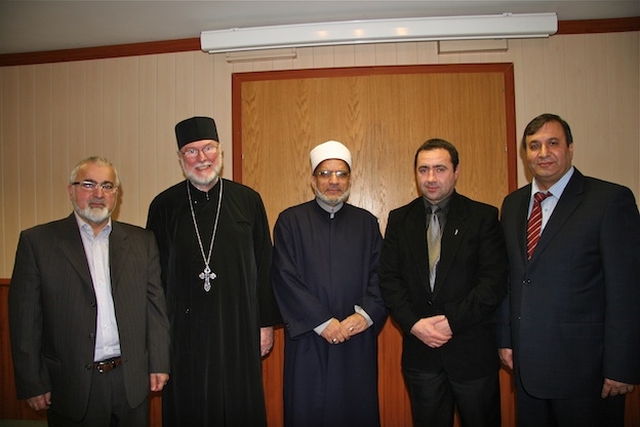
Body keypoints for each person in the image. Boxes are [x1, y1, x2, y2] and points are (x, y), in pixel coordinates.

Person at [498, 113, 640, 427]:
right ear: (525, 154)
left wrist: (622, 366)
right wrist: (506, 339)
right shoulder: (512, 206)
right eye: (534, 145)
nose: (543, 153)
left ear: (571, 149)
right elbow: (512, 278)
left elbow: (627, 291)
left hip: (587, 373)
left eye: (553, 143)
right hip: (528, 368)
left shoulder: (609, 201)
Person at [8, 156, 170, 427]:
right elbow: (24, 320)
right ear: (71, 190)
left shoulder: (142, 242)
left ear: (116, 195)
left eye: (107, 186)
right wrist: (31, 381)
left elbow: (155, 309)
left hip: (130, 381)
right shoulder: (37, 243)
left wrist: (159, 362)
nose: (98, 194)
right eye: (88, 184)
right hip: (71, 385)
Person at [146, 116, 281, 426]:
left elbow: (264, 264)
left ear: (220, 151)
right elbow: (154, 280)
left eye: (208, 148)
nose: (202, 157)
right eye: (191, 151)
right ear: (180, 158)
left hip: (239, 326)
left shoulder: (248, 200)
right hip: (183, 333)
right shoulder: (163, 206)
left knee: (238, 406)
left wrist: (265, 326)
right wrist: (157, 338)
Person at [379, 138, 508, 427]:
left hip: (471, 355)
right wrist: (414, 324)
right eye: (423, 170)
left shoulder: (482, 217)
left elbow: (494, 283)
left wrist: (452, 321)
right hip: (420, 354)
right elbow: (389, 280)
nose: (431, 178)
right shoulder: (400, 220)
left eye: (439, 169)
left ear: (456, 171)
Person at [271, 140, 388, 427]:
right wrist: (323, 322)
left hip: (355, 338)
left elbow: (382, 275)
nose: (333, 181)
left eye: (341, 174)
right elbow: (284, 278)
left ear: (350, 179)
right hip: (310, 338)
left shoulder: (367, 223)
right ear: (313, 180)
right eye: (325, 174)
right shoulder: (290, 221)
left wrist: (365, 316)